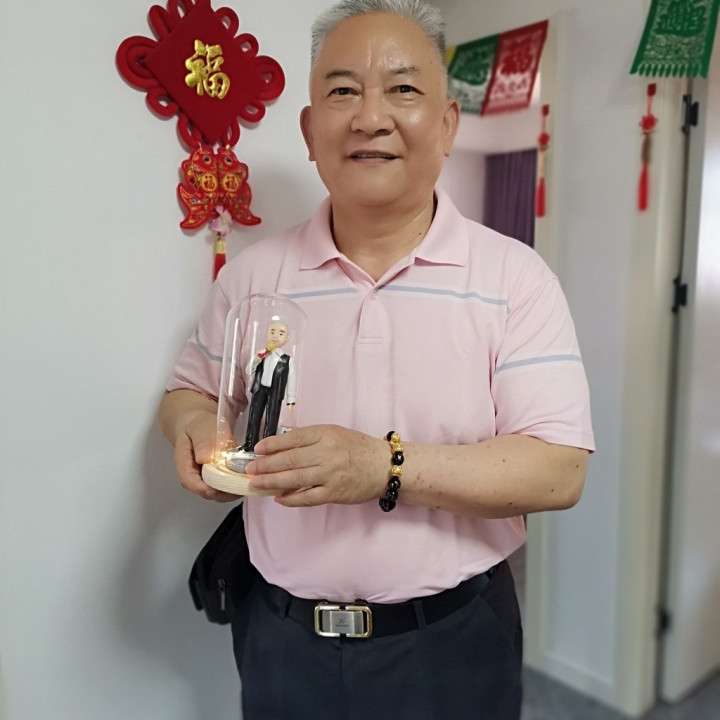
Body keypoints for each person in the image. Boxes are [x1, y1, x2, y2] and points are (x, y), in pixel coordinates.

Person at [158, 1, 595, 718]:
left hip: (451, 641)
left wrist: (383, 466)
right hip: (280, 636)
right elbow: (187, 392)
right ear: (310, 131)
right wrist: (196, 430)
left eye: (402, 88)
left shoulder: (514, 278)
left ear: (447, 124)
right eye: (342, 91)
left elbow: (559, 469)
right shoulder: (253, 275)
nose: (369, 117)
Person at [243, 319, 296, 452]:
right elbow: (248, 370)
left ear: (287, 338)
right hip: (259, 390)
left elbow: (291, 380)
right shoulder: (261, 355)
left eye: (281, 333)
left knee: (271, 421)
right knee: (254, 418)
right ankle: (249, 445)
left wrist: (291, 400)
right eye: (272, 332)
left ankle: (267, 448)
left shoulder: (287, 360)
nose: (275, 336)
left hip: (275, 393)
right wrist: (258, 357)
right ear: (267, 333)